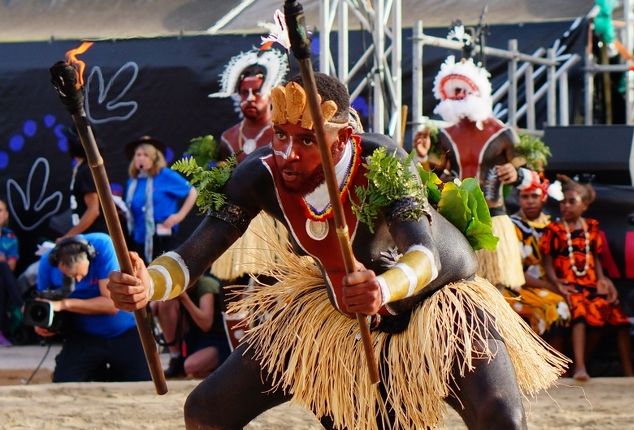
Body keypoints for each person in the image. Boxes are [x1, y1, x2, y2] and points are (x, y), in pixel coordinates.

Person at [108, 72, 566, 430]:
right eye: (280, 136)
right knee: (205, 411)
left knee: (501, 419)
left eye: (307, 140)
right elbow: (195, 253)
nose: (288, 153)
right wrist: (149, 282)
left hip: (441, 304)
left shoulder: (382, 162)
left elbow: (424, 254)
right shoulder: (260, 176)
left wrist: (382, 288)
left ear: (343, 139)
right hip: (339, 318)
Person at [414, 56, 530, 291]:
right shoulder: (444, 136)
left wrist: (516, 174)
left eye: (463, 90)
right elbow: (434, 178)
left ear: (477, 91)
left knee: (497, 289)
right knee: (459, 288)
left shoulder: (504, 134)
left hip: (493, 218)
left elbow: (534, 175)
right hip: (455, 222)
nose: (458, 95)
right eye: (454, 91)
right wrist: (423, 156)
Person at [206, 47, 289, 350]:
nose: (249, 99)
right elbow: (220, 178)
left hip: (275, 222)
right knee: (233, 290)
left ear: (271, 94)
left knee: (272, 287)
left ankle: (274, 355)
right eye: (243, 93)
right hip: (238, 221)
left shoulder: (282, 133)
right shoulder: (229, 138)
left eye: (256, 92)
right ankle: (238, 356)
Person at [540, 175, 634, 381]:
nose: (565, 206)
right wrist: (556, 283)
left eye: (571, 202)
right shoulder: (554, 229)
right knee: (580, 311)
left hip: (590, 283)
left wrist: (603, 280)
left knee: (616, 314)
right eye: (563, 201)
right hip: (569, 285)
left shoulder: (591, 227)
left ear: (584, 205)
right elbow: (547, 261)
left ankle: (629, 373)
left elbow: (596, 258)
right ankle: (580, 367)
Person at [35, 233, 150, 382]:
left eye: (80, 274)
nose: (78, 280)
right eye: (71, 276)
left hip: (123, 333)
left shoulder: (102, 245)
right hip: (84, 336)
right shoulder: (47, 263)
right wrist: (42, 323)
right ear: (60, 266)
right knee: (64, 382)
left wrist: (64, 304)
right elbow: (42, 304)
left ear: (90, 258)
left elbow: (112, 305)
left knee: (143, 383)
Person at [508, 174, 570, 350]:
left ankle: (561, 367)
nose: (530, 201)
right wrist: (548, 285)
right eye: (525, 197)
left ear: (543, 198)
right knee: (553, 307)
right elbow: (514, 272)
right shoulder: (510, 226)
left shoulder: (553, 225)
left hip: (551, 285)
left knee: (572, 304)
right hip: (518, 287)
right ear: (519, 199)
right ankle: (538, 364)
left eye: (534, 196)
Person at [125, 135, 197, 264]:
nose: (140, 158)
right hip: (138, 237)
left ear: (155, 158)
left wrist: (179, 216)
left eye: (146, 155)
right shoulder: (133, 181)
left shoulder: (164, 175)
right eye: (138, 154)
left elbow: (192, 191)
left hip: (162, 236)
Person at [153, 275, 230, 379]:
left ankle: (219, 373)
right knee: (165, 304)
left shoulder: (206, 284)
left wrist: (184, 298)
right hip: (195, 338)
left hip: (217, 340)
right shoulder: (178, 285)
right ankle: (176, 357)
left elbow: (206, 325)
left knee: (190, 366)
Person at [57, 127, 108, 241]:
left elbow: (93, 210)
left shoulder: (86, 171)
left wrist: (68, 237)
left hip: (94, 238)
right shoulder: (82, 168)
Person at [0, 197, 22, 346]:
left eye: (0, 210)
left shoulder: (10, 236)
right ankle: (22, 305)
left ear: (6, 214)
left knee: (2, 272)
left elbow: (11, 267)